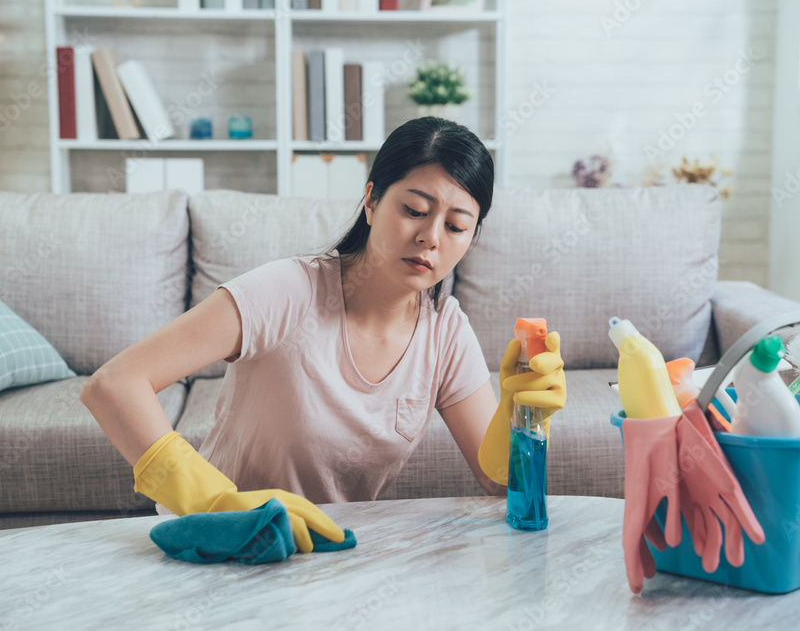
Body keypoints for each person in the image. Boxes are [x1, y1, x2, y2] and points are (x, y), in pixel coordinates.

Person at [80, 117, 566, 553]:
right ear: (372, 201)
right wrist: (214, 501)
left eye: (457, 226)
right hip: (215, 544)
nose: (431, 237)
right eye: (415, 210)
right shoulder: (289, 291)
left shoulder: (445, 331)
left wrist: (523, 417)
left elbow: (497, 484)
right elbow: (114, 385)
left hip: (324, 554)